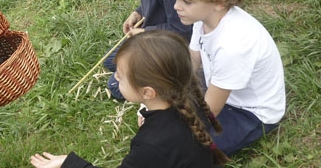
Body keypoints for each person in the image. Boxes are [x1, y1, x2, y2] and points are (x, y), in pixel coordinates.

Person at [30, 30, 230, 168]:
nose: (115, 78)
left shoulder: (151, 145)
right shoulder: (191, 103)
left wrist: (68, 163)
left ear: (148, 92)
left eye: (121, 77)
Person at [165, 0, 286, 156]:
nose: (176, 6)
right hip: (220, 87)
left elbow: (210, 110)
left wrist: (169, 126)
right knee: (167, 105)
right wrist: (167, 99)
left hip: (250, 112)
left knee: (191, 149)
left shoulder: (233, 45)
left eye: (186, 1)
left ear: (219, 1)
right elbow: (193, 59)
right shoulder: (202, 18)